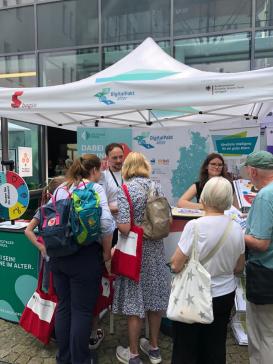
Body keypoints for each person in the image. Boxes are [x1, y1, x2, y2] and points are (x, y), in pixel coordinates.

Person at [29, 154, 114, 364]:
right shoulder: (95, 189)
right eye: (100, 170)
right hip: (84, 257)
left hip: (58, 255)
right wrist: (106, 253)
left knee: (64, 306)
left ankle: (64, 357)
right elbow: (106, 224)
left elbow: (46, 216)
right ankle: (81, 359)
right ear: (94, 170)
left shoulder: (61, 188)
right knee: (82, 311)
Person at [171, 176, 245, 364]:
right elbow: (239, 267)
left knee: (186, 347)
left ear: (203, 197)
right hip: (225, 294)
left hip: (194, 294)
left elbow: (176, 264)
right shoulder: (237, 228)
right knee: (216, 345)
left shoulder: (194, 226)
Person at [112, 152, 169, 364]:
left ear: (127, 168)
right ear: (145, 166)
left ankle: (134, 354)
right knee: (154, 301)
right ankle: (154, 349)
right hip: (155, 249)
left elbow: (125, 227)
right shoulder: (157, 187)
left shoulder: (124, 189)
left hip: (135, 252)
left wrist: (118, 218)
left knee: (134, 304)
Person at [243, 151, 273, 364]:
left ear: (253, 171)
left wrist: (238, 233)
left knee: (264, 334)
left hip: (265, 273)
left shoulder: (264, 196)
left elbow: (261, 243)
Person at [25, 176, 66, 289]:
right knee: (51, 288)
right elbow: (28, 230)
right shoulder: (45, 209)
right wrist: (41, 247)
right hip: (49, 257)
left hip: (61, 255)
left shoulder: (66, 207)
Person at [100, 143, 124, 246]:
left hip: (129, 226)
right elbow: (101, 206)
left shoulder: (129, 174)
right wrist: (123, 208)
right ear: (107, 158)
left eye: (121, 157)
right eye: (114, 158)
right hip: (112, 228)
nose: (119, 160)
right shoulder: (103, 177)